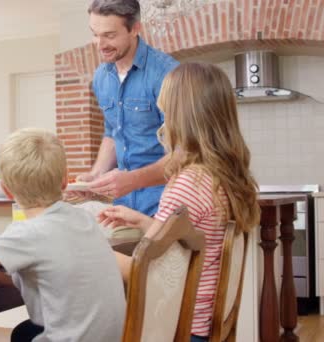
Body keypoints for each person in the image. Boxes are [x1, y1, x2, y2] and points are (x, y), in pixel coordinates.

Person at [98, 63, 261, 341]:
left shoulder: (187, 184)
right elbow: (193, 240)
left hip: (180, 329)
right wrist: (143, 220)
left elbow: (148, 272)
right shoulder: (221, 177)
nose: (163, 121)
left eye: (165, 111)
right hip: (204, 326)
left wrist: (88, 249)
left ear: (179, 117)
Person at [0, 128, 126, 342]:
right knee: (22, 333)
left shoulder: (28, 233)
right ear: (65, 180)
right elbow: (49, 274)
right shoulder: (83, 219)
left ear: (6, 190)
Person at [73, 0, 179, 216]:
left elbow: (185, 152)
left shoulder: (168, 74)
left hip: (165, 204)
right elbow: (112, 132)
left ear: (135, 29)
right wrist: (96, 175)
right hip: (123, 205)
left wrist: (132, 180)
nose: (100, 44)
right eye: (95, 34)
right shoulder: (101, 77)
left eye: (109, 35)